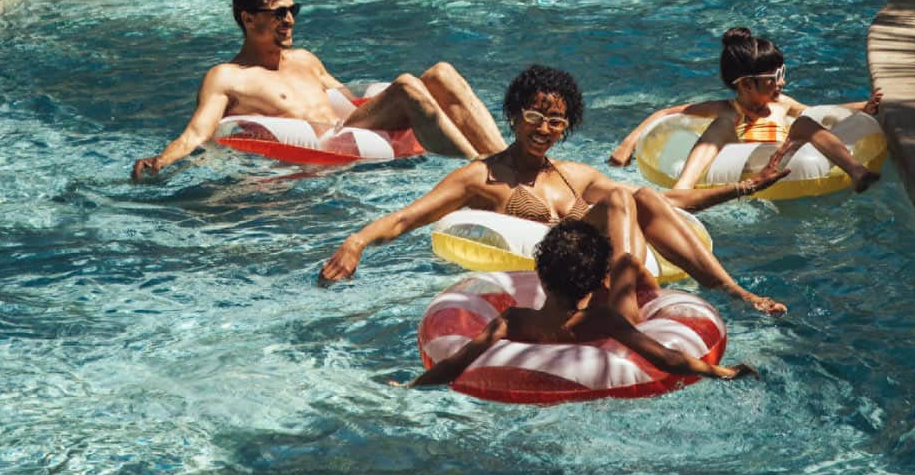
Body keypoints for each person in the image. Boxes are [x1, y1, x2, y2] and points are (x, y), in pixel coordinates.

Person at [319, 64, 790, 315]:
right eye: (535, 115)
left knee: (637, 195)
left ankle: (734, 293)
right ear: (514, 116)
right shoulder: (481, 177)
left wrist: (747, 186)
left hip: (600, 259)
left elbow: (667, 204)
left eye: (557, 120)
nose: (544, 127)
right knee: (628, 196)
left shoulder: (575, 175)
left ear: (567, 126)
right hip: (554, 271)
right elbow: (407, 217)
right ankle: (632, 303)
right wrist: (357, 241)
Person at [131, 0, 505, 180]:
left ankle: (509, 161)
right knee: (408, 84)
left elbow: (350, 101)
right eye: (279, 13)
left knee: (442, 73)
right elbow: (196, 133)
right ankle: (484, 177)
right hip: (322, 157)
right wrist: (160, 161)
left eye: (293, 9)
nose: (290, 19)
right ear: (248, 18)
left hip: (352, 132)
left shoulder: (305, 59)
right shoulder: (228, 77)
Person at [400, 219, 756, 388]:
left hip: (525, 383)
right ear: (594, 285)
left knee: (628, 265)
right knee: (629, 263)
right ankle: (623, 268)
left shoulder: (514, 320)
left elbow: (455, 363)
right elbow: (665, 358)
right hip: (604, 382)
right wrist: (723, 372)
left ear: (539, 275)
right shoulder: (602, 321)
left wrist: (412, 386)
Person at [609, 26, 883, 193]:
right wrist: (626, 145)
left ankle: (856, 171)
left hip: (785, 159)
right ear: (747, 84)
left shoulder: (782, 103)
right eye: (773, 78)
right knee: (724, 122)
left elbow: (820, 111)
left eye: (781, 73)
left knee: (803, 122)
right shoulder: (726, 108)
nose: (782, 82)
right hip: (745, 167)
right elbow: (666, 114)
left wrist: (863, 106)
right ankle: (683, 188)